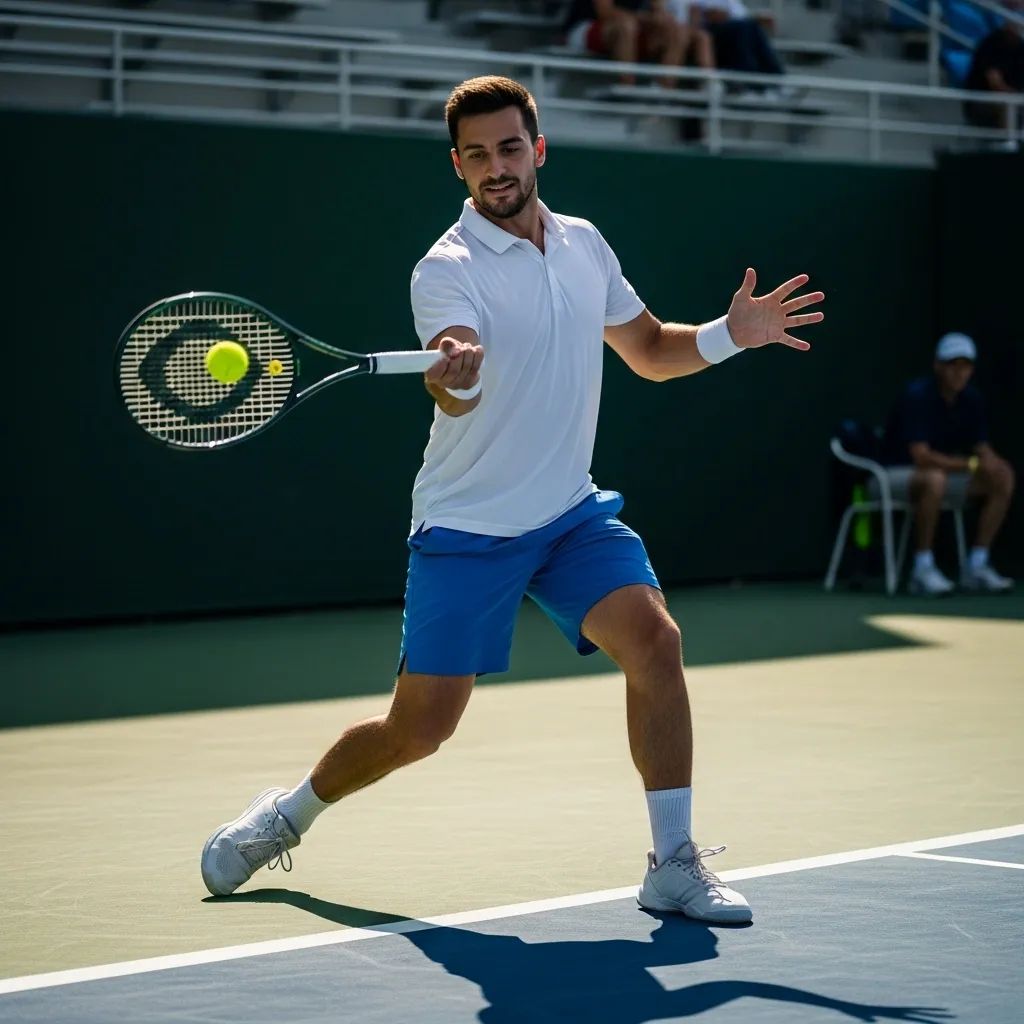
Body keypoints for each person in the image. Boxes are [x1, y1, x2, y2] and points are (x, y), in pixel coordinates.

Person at [201, 75, 825, 924]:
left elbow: (646, 349)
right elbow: (453, 377)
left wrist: (728, 335)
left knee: (655, 640)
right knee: (418, 730)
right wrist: (453, 374)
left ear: (537, 149)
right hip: (468, 528)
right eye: (476, 155)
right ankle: (289, 814)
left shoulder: (584, 245)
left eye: (508, 148)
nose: (495, 167)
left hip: (569, 514)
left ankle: (672, 865)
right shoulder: (444, 268)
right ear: (457, 166)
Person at [883, 332, 1015, 595]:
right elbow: (921, 456)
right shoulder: (917, 395)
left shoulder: (971, 400)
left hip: (941, 477)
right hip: (890, 476)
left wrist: (993, 464)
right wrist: (973, 465)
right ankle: (922, 569)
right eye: (952, 364)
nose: (959, 372)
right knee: (935, 479)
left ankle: (977, 566)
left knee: (1003, 477)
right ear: (938, 366)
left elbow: (982, 448)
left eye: (965, 365)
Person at [563, 0, 712, 87]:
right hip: (586, 28)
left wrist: (660, 18)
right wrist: (645, 19)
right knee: (627, 25)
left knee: (677, 31)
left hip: (632, 28)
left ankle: (664, 89)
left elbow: (658, 12)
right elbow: (605, 12)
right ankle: (627, 85)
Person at [963, 6, 1024, 137]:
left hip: (1014, 98)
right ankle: (1008, 146)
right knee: (1008, 106)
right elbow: (994, 81)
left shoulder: (1020, 48)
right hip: (983, 99)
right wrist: (1013, 96)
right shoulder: (991, 44)